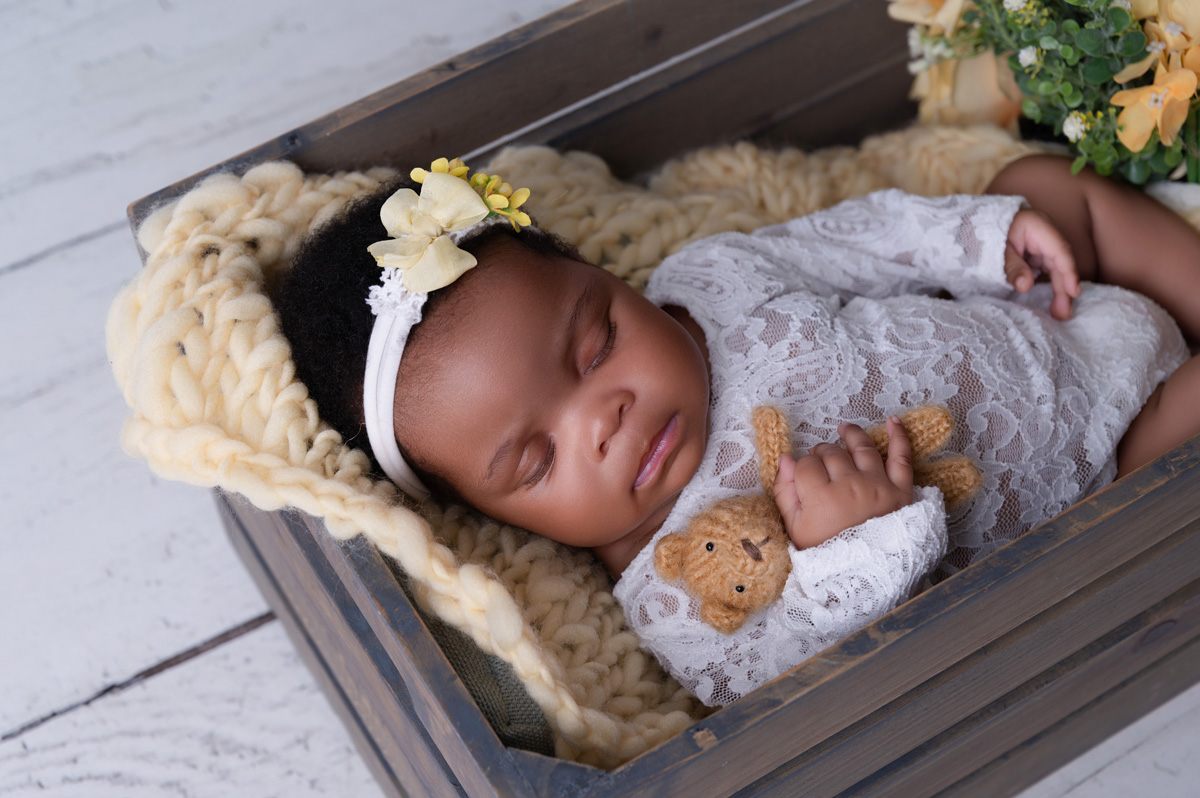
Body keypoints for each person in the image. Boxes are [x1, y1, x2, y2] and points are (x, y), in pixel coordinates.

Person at [274, 154, 1200, 705]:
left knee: (1038, 184)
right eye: (536, 459)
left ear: (606, 278)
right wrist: (841, 554)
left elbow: (858, 239)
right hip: (1103, 480)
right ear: (502, 517)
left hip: (1057, 311)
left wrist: (981, 241)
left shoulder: (713, 279)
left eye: (596, 346)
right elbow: (784, 677)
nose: (604, 422)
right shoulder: (675, 595)